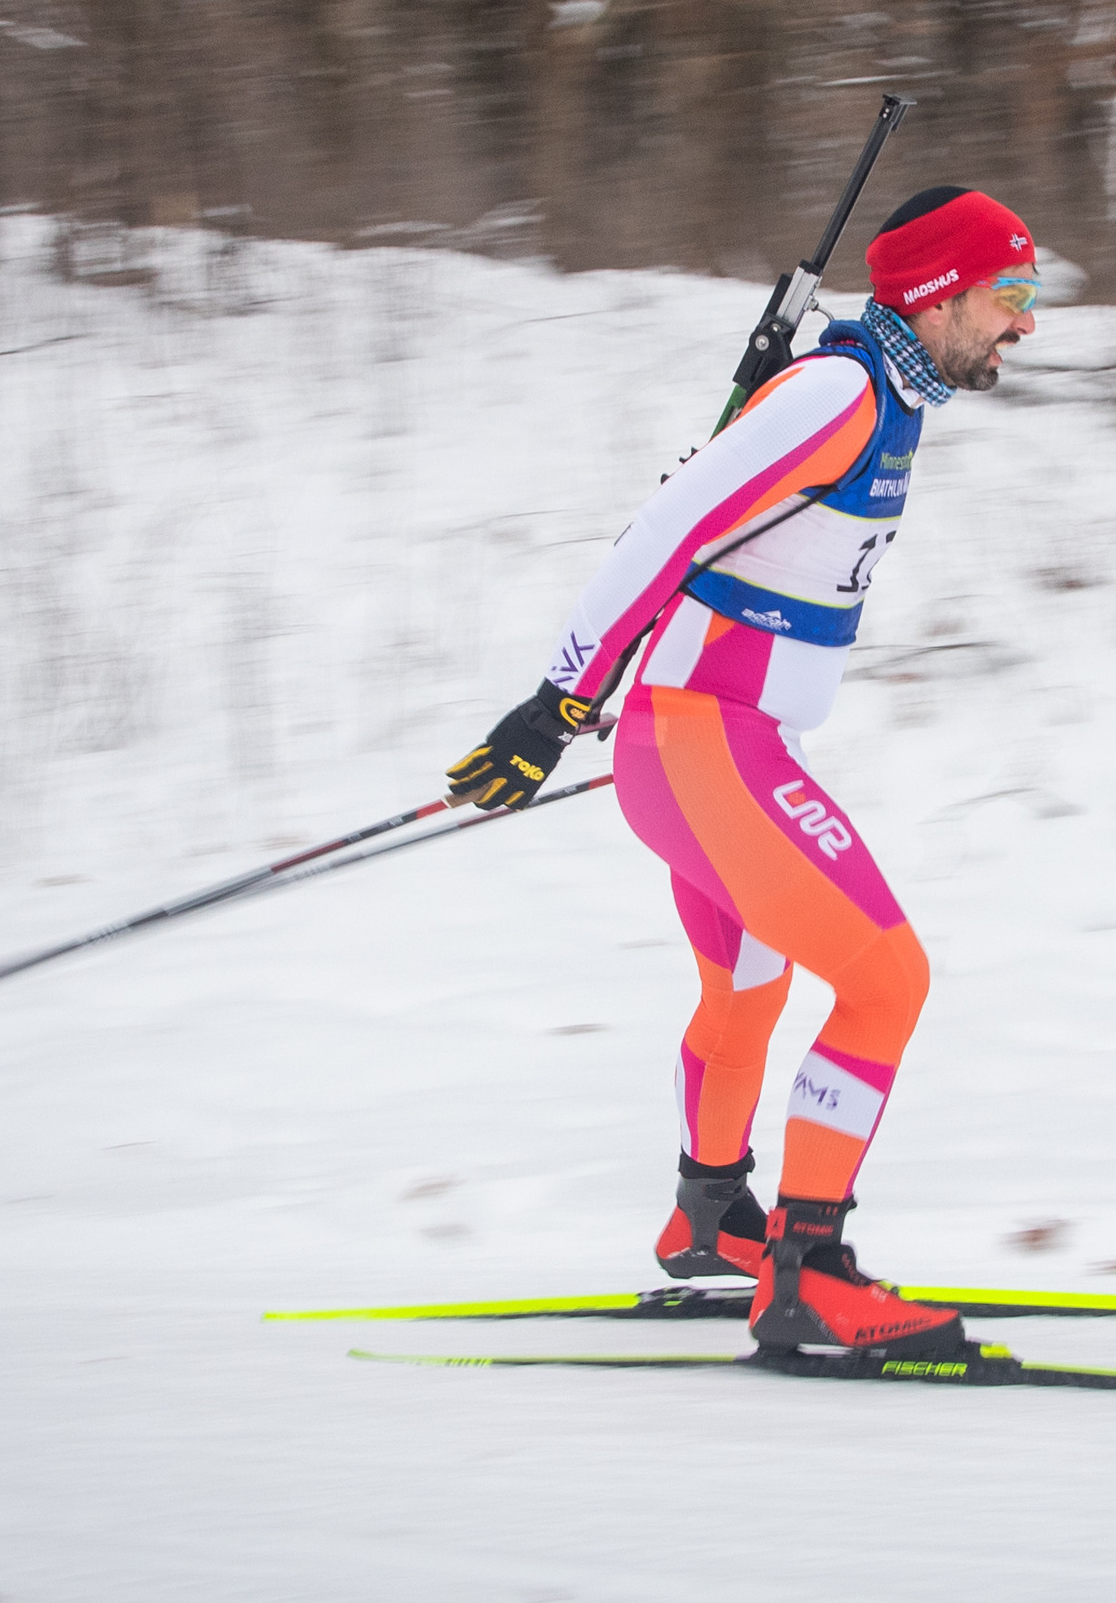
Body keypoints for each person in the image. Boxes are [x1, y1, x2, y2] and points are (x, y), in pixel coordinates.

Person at [444, 185, 1040, 1360]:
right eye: (1009, 294)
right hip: (706, 741)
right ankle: (809, 1273)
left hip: (718, 743)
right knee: (886, 982)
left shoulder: (885, 395)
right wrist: (557, 704)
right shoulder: (838, 393)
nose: (1025, 322)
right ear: (937, 295)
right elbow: (663, 532)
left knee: (749, 990)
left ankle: (711, 1215)